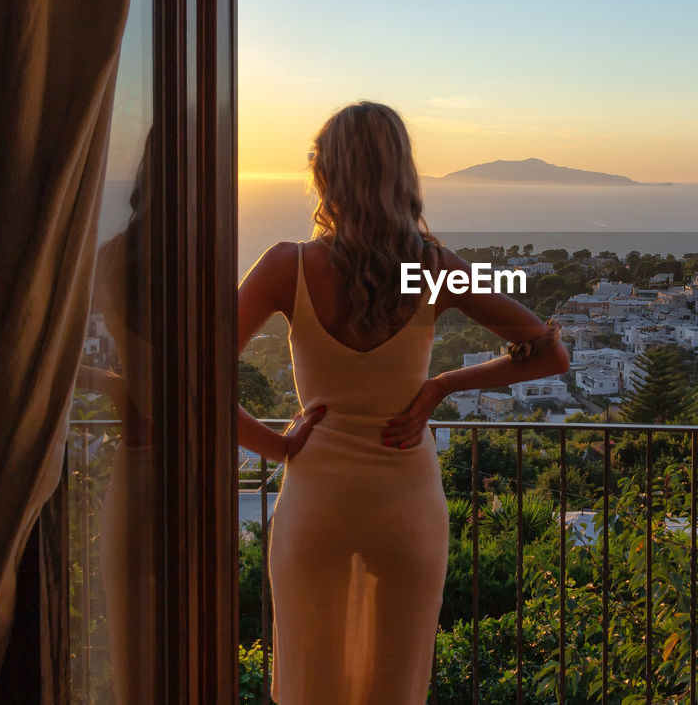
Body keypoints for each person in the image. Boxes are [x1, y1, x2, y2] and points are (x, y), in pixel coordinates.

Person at [236, 101, 570, 704]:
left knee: (308, 682)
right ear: (403, 175)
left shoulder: (288, 265)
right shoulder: (433, 269)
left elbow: (195, 376)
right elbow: (549, 353)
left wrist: (278, 447)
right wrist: (441, 386)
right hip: (406, 503)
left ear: (326, 174)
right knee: (395, 686)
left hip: (316, 501)